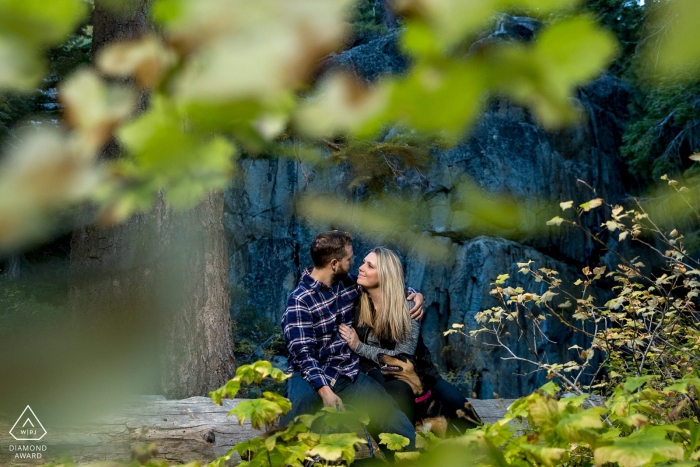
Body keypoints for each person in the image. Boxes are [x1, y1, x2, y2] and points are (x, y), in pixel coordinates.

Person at [280, 231, 425, 451]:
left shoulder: (346, 284)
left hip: (345, 371)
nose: (355, 264)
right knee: (298, 416)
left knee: (394, 421)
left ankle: (411, 458)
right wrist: (325, 391)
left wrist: (414, 295)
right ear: (334, 263)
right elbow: (303, 356)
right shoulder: (299, 301)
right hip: (309, 374)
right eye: (350, 259)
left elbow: (384, 285)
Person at [339, 247, 482, 434]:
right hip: (375, 371)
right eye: (363, 262)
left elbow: (402, 357)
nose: (360, 267)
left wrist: (358, 346)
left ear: (385, 275)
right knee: (402, 395)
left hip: (418, 371)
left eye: (369, 265)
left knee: (464, 412)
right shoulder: (355, 297)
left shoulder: (408, 307)